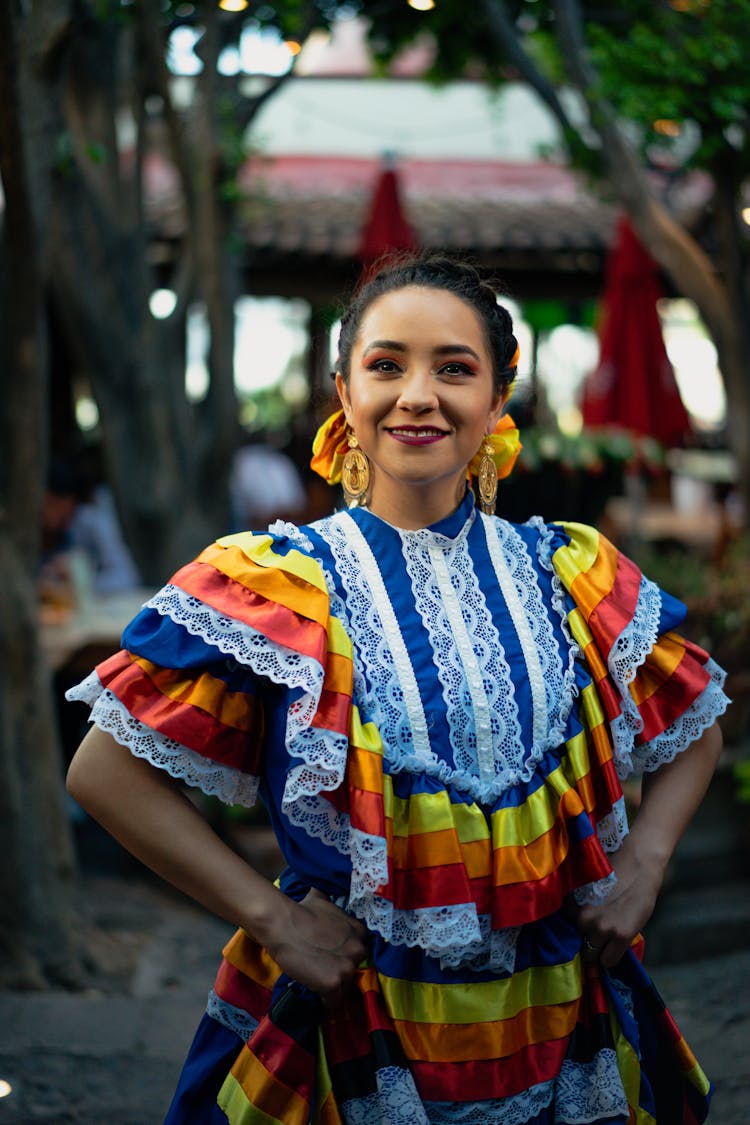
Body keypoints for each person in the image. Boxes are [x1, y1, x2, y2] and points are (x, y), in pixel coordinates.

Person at [66, 254, 728, 1124]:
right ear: (344, 390)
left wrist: (644, 864)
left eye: (455, 368)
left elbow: (695, 720)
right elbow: (102, 774)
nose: (419, 394)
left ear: (499, 400)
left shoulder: (574, 571)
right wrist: (274, 920)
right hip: (355, 1033)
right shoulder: (269, 587)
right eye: (387, 365)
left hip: (561, 1019)